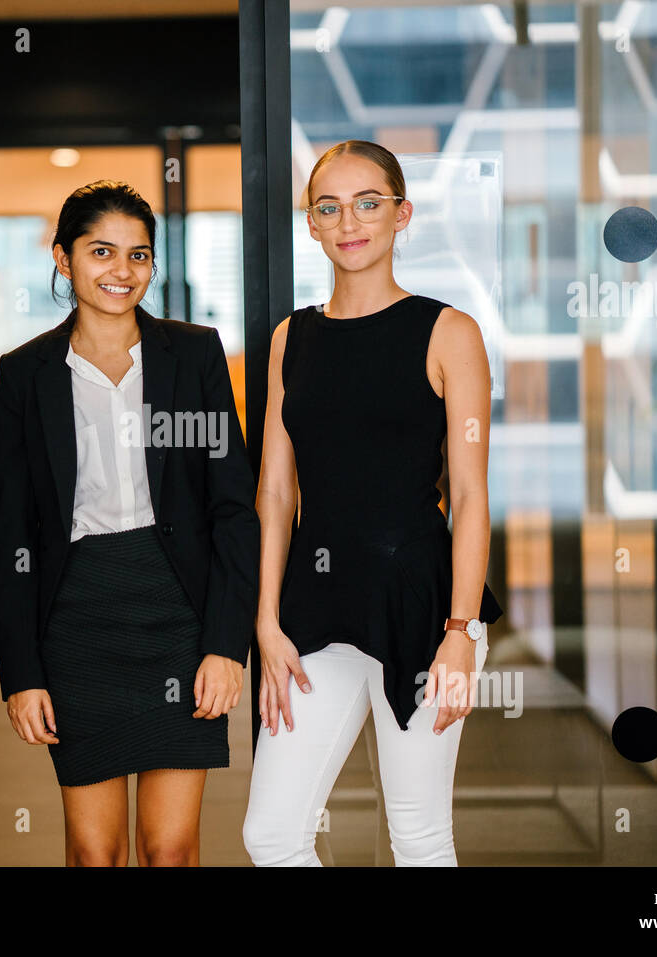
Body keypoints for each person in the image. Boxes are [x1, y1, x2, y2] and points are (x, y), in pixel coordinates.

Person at [242, 140, 504, 867]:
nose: (348, 220)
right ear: (313, 225)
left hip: (423, 607)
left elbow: (473, 495)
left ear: (402, 214)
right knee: (271, 834)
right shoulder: (291, 338)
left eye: (368, 202)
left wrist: (461, 628)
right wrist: (265, 619)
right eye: (329, 206)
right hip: (312, 611)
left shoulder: (450, 332)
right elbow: (274, 489)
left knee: (419, 838)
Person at [0, 180, 259, 866]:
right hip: (77, 623)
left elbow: (232, 507)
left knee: (170, 850)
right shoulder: (26, 375)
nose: (122, 270)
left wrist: (227, 646)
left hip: (178, 615)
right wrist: (22, 671)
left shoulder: (195, 356)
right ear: (63, 258)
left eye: (139, 255)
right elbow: (16, 535)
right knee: (94, 852)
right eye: (101, 251)